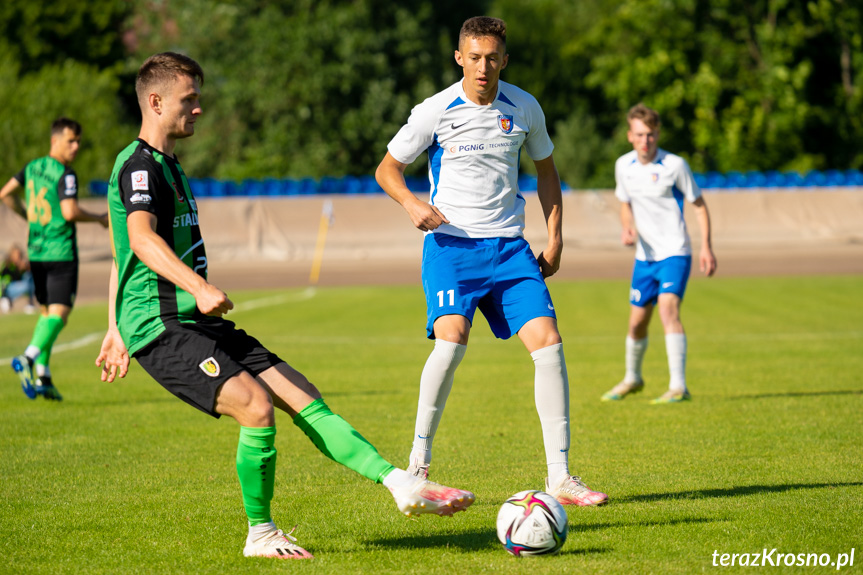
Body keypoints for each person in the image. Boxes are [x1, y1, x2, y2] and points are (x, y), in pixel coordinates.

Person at [94, 52, 474, 561]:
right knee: (255, 407)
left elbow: (123, 248)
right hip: (161, 325)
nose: (199, 109)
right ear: (156, 102)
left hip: (192, 318)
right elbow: (139, 239)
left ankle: (400, 483)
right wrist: (187, 293)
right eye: (190, 99)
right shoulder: (139, 167)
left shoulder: (169, 165)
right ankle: (261, 533)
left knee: (301, 394)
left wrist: (112, 324)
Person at [375, 16, 607, 507]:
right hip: (452, 247)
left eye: (492, 58)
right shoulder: (434, 111)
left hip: (509, 248)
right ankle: (418, 465)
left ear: (505, 60)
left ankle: (561, 478)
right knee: (451, 342)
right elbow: (387, 169)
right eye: (474, 57)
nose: (483, 67)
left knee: (549, 344)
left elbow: (548, 173)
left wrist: (556, 240)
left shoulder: (525, 107)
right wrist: (413, 205)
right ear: (460, 58)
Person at [601, 103, 717, 404]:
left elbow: (699, 205)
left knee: (667, 309)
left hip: (675, 252)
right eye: (639, 135)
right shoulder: (623, 166)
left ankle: (678, 386)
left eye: (650, 135)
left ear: (658, 134)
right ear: (630, 135)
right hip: (644, 258)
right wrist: (628, 228)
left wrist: (706, 246)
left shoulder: (675, 166)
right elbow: (625, 203)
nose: (645, 141)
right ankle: (633, 378)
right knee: (636, 323)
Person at [0, 117, 108, 400]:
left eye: (78, 142)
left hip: (36, 253)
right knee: (60, 314)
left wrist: (28, 216)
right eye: (71, 140)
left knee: (47, 313)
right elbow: (70, 212)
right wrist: (98, 218)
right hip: (60, 253)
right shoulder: (65, 173)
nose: (75, 147)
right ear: (55, 140)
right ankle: (28, 358)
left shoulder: (32, 167)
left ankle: (43, 376)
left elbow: (6, 194)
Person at [0, 244, 36, 314]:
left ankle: (30, 303)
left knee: (29, 277)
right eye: (16, 255)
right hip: (8, 289)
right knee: (27, 284)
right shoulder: (8, 265)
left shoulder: (23, 264)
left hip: (22, 286)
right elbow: (4, 280)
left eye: (19, 255)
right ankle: (6, 299)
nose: (17, 257)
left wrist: (26, 268)